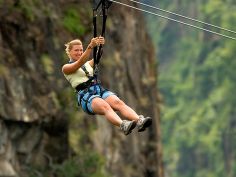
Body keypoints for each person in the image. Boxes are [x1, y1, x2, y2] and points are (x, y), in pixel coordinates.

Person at [62, 37, 152, 135]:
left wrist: (99, 45)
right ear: (69, 52)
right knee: (105, 106)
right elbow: (79, 63)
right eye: (76, 50)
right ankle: (123, 124)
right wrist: (90, 47)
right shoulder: (66, 68)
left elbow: (97, 56)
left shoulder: (88, 64)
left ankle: (139, 120)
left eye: (81, 50)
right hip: (86, 96)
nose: (79, 52)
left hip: (98, 90)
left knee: (118, 102)